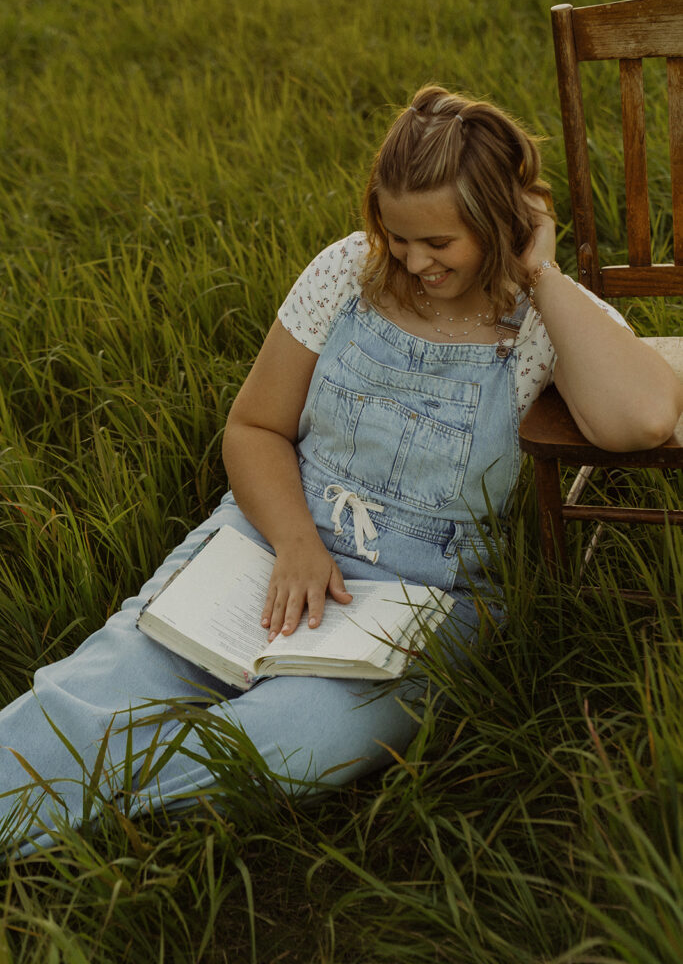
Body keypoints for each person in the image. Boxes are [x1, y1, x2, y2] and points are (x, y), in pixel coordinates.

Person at [1, 85, 681, 856]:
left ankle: (101, 826)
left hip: (431, 597)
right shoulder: (344, 275)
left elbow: (643, 418)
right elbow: (254, 426)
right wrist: (294, 541)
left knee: (287, 744)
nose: (413, 261)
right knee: (104, 683)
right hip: (272, 540)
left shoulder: (541, 322)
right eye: (397, 236)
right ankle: (45, 795)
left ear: (503, 224)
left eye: (440, 243)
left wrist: (542, 275)